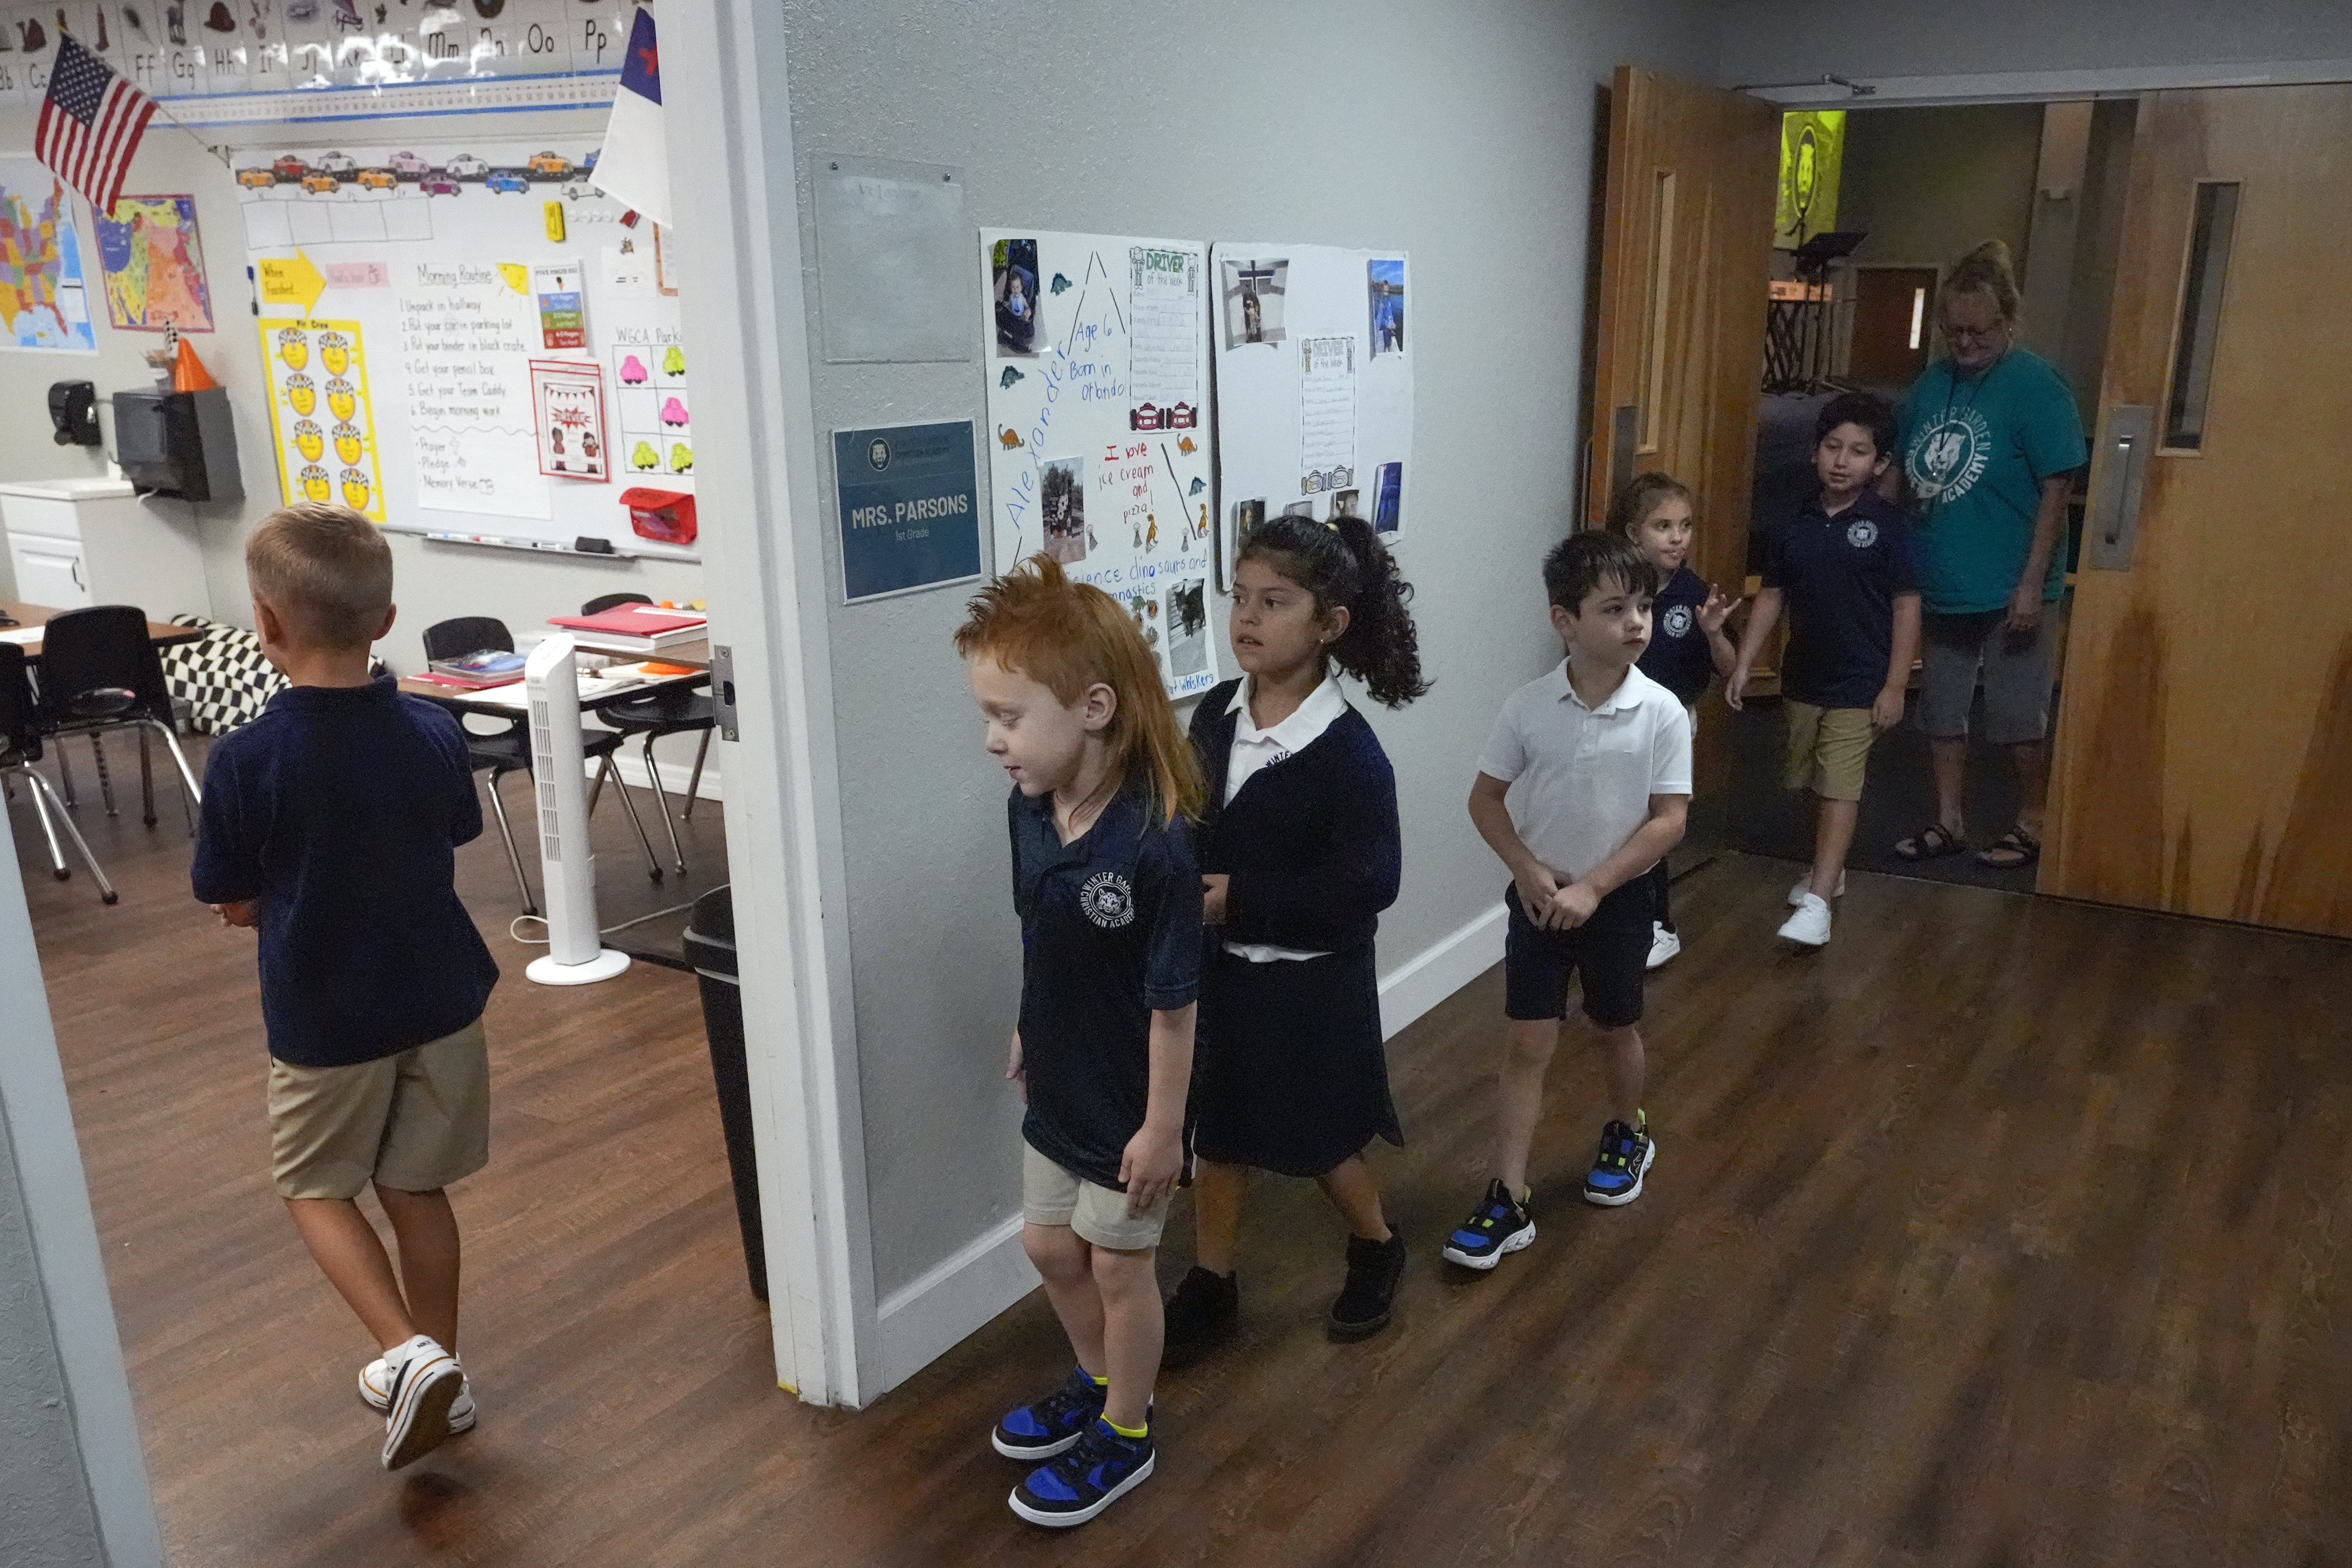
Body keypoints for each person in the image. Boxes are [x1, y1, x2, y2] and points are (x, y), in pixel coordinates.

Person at [190, 502, 499, 1472]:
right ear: (387, 618)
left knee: (315, 1187)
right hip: (443, 997)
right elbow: (451, 834)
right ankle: (439, 1372)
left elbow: (232, 898)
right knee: (417, 1184)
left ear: (267, 624)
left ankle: (408, 1354)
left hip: (327, 1015)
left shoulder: (244, 759)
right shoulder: (434, 730)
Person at [956, 555, 1205, 1528]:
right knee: (1048, 1244)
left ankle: (1128, 1429)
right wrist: (1028, 1018)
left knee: (1118, 1264)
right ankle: (1096, 1380)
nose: (992, 740)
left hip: (1133, 1098)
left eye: (1010, 717)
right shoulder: (1028, 812)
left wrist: (1164, 1128)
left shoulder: (1158, 845)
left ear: (1094, 707)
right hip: (1060, 1077)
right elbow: (1040, 928)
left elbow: (1175, 1006)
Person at [1158, 514, 1430, 1366]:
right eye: (1240, 597)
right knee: (1220, 1134)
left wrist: (1241, 898)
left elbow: (1365, 888)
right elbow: (1194, 819)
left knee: (1319, 1139)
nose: (1247, 618)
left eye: (1274, 602)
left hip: (1309, 985)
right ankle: (1212, 1279)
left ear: (1329, 624)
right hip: (1221, 978)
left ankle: (1377, 1243)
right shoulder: (1214, 714)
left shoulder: (1349, 757)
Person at [1445, 531, 1690, 1271]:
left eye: (1643, 606)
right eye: (1614, 608)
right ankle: (1507, 1194)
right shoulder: (1527, 708)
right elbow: (1485, 799)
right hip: (1539, 898)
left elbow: (1670, 819)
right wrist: (1525, 868)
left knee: (1613, 1025)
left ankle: (1626, 1129)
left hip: (1615, 901)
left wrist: (1595, 886)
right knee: (1527, 1042)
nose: (1636, 622)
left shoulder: (1662, 712)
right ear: (1564, 621)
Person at [1893, 239, 2087, 870]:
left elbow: (2058, 489)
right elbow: (1900, 470)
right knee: (1942, 708)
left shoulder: (2037, 385)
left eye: (1979, 331)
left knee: (2015, 713)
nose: (1965, 343)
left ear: (2007, 323)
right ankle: (1948, 820)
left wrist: (2032, 582)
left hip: (2012, 584)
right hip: (1942, 576)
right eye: (1954, 331)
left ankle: (2033, 820)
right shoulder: (1932, 383)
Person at [1727, 393, 1922, 948]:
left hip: (1860, 681)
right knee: (1809, 777)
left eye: (1858, 451)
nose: (1842, 460)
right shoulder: (1795, 523)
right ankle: (1827, 872)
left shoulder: (1887, 527)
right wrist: (1746, 661)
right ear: (1814, 452)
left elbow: (1907, 605)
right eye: (1832, 447)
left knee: (1841, 782)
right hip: (1803, 676)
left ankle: (1817, 902)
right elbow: (1771, 595)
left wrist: (1894, 683)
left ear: (1879, 465)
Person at [1605, 472, 1741, 968]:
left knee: (1654, 822)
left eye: (1684, 525)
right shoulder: (1616, 588)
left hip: (1672, 720)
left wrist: (1711, 633)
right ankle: (1620, 915)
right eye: (1662, 525)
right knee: (1620, 821)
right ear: (1632, 533)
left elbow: (1730, 670)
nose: (1677, 536)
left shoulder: (1695, 593)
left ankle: (1660, 925)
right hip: (1617, 715)